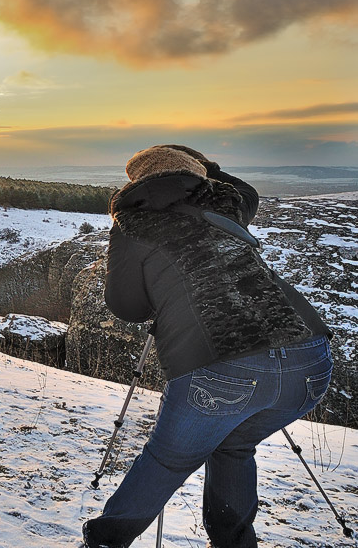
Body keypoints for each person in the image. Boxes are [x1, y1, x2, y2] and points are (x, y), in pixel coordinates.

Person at [82, 145, 332, 548]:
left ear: (136, 183)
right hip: (310, 360)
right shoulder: (227, 204)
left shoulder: (132, 224)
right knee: (234, 444)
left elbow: (126, 306)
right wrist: (206, 167)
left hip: (221, 364)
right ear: (198, 173)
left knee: (168, 459)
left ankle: (106, 541)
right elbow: (247, 191)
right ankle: (234, 541)